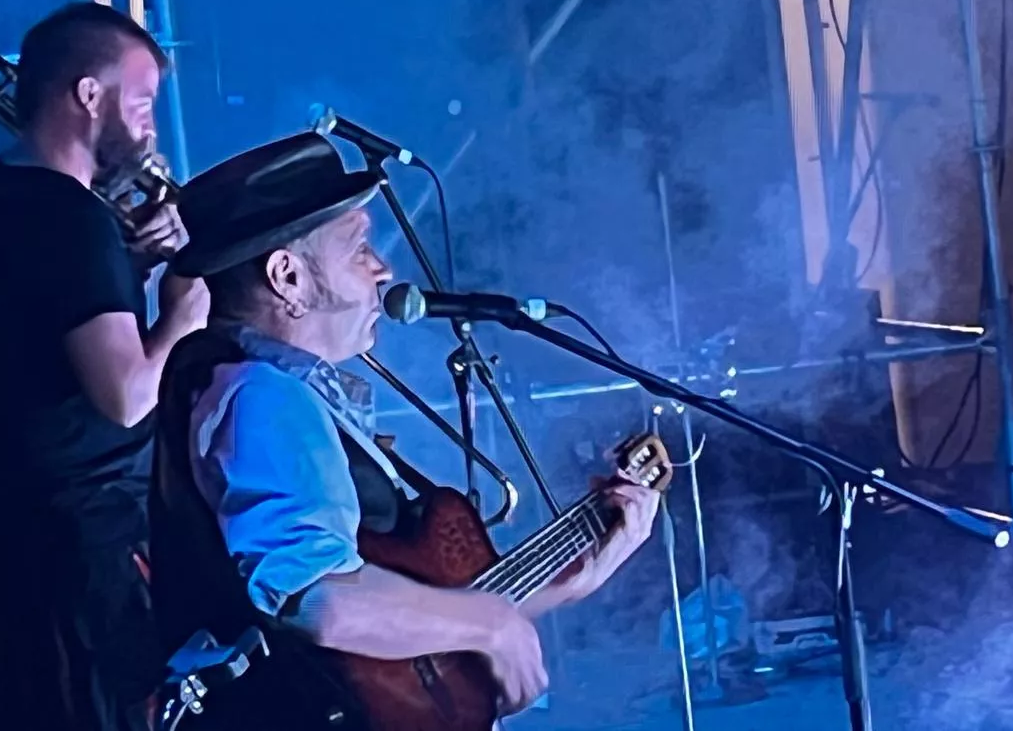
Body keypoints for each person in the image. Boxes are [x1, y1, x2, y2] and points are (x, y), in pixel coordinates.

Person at [148, 133, 660, 729]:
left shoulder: (273, 391)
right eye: (359, 247)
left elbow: (402, 639)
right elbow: (316, 600)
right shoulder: (263, 398)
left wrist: (577, 577)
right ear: (287, 277)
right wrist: (493, 626)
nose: (383, 268)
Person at [0, 1, 210, 731]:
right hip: (86, 548)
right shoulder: (69, 217)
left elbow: (44, 333)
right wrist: (182, 319)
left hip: (20, 541)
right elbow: (124, 395)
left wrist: (130, 266)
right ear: (89, 95)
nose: (151, 127)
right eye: (143, 103)